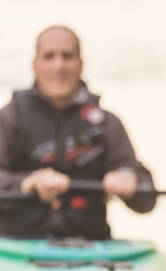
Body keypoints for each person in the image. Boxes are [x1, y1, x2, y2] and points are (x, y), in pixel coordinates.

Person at [0, 25, 156, 240]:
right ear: (35, 65)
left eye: (67, 56)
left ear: (80, 65)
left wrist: (130, 180)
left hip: (89, 245)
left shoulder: (106, 124)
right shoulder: (9, 119)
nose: (58, 66)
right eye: (49, 56)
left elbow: (147, 201)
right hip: (15, 243)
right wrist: (27, 182)